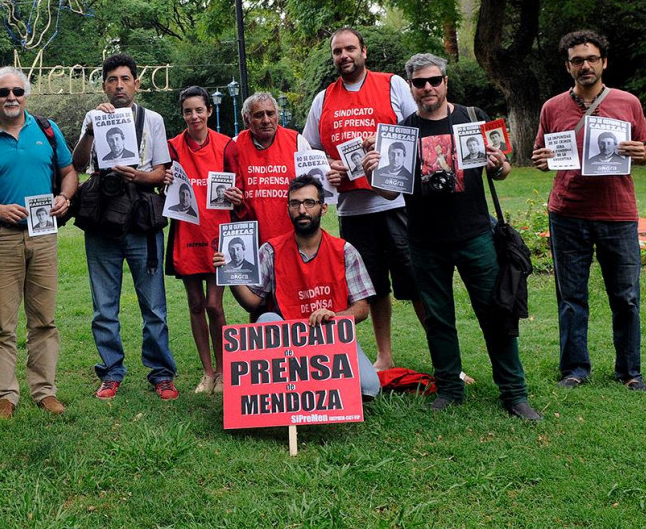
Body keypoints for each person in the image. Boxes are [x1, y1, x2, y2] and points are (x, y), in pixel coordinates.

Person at [367, 53, 540, 419]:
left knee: (495, 314)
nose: (428, 88)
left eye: (434, 80)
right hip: (425, 240)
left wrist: (500, 165)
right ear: (410, 87)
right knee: (437, 317)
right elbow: (386, 193)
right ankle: (449, 388)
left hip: (475, 234)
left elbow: (504, 171)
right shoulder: (403, 131)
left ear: (446, 81)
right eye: (419, 83)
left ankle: (514, 392)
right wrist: (375, 173)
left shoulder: (473, 119)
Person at [531, 30, 646, 392]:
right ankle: (575, 369)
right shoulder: (552, 107)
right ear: (567, 66)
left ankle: (630, 371)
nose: (585, 65)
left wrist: (639, 153)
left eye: (591, 59)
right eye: (577, 60)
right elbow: (541, 154)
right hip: (567, 212)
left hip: (617, 213)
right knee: (571, 297)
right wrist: (542, 160)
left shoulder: (627, 102)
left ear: (603, 62)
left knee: (627, 296)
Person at [0, 66, 78, 418]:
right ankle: (5, 394)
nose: (11, 98)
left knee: (44, 320)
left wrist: (65, 197)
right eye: (3, 92)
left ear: (26, 95)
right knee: (2, 323)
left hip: (44, 237)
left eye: (17, 92)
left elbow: (69, 173)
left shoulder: (47, 130)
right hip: (2, 240)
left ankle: (45, 390)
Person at [303, 27, 425, 372]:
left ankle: (443, 357)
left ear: (364, 51)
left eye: (350, 49)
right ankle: (384, 357)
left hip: (395, 203)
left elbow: (414, 131)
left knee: (414, 282)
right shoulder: (323, 98)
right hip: (351, 209)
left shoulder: (392, 85)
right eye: (338, 51)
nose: (344, 56)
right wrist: (328, 166)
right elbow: (308, 148)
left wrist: (382, 146)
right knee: (372, 288)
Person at [215, 175, 380, 400]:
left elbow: (361, 309)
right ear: (288, 208)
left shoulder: (345, 251)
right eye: (295, 203)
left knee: (369, 388)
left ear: (323, 208)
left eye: (309, 203)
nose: (302, 210)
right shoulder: (271, 250)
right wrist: (230, 274)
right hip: (289, 345)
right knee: (265, 321)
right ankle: (299, 384)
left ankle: (311, 383)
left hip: (330, 338)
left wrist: (334, 316)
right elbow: (252, 302)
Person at [72, 53, 178, 400]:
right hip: (102, 217)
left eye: (125, 79)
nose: (119, 85)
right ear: (104, 85)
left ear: (136, 83)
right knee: (104, 305)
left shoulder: (153, 120)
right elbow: (76, 164)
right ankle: (111, 371)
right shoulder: (94, 117)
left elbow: (162, 171)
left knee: (154, 304)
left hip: (140, 219)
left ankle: (161, 372)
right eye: (112, 80)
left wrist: (139, 175)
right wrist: (89, 130)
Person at [166, 86, 233, 394]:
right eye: (188, 111)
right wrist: (161, 181)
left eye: (199, 110)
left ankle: (224, 371)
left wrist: (236, 193)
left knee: (214, 305)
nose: (194, 116)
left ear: (208, 111)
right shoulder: (172, 147)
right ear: (182, 114)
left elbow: (239, 186)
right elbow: (159, 184)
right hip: (187, 233)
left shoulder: (226, 145)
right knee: (195, 304)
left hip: (219, 233)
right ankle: (207, 373)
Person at [224, 92, 314, 244]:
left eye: (270, 113)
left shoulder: (298, 142)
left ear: (277, 116)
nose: (266, 120)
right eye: (259, 115)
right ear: (247, 119)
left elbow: (314, 189)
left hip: (293, 236)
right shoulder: (234, 146)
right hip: (249, 240)